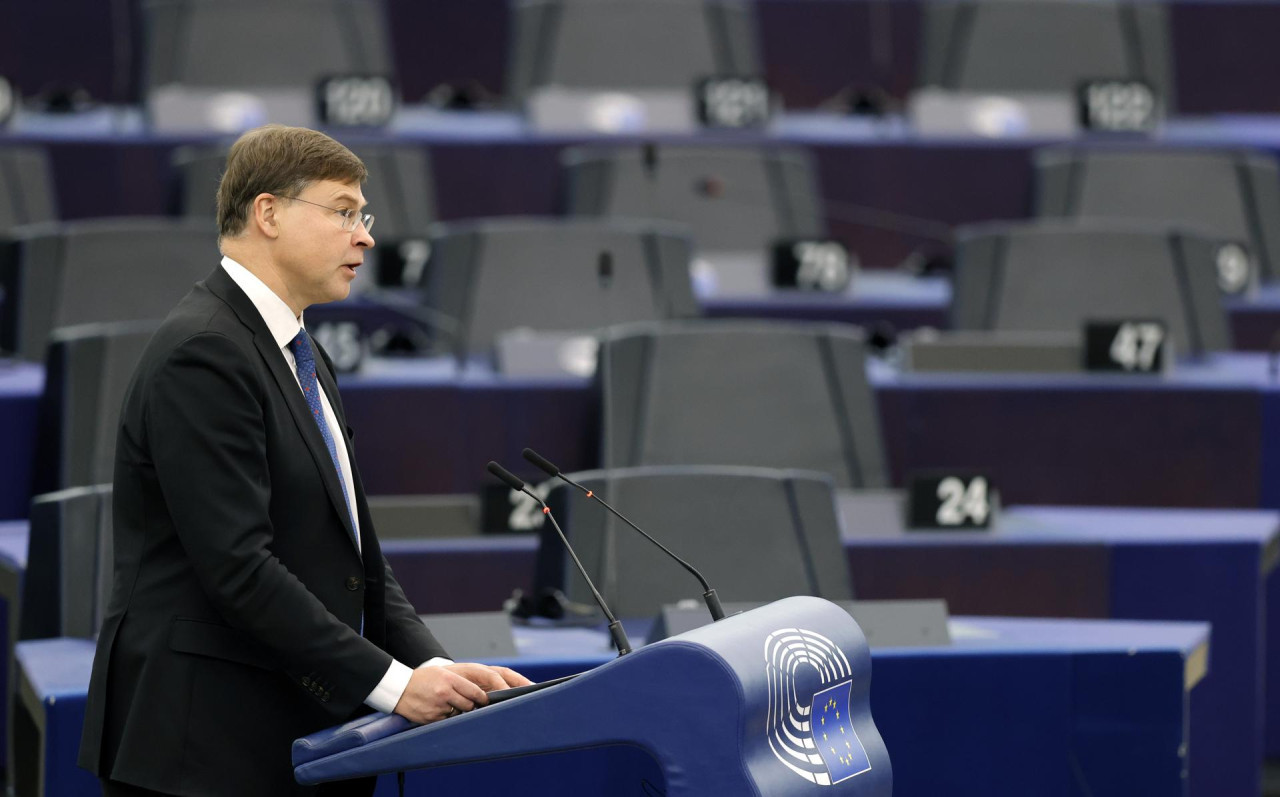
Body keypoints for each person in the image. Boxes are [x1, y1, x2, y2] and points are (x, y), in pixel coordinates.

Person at [78, 124, 531, 796]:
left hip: (290, 738)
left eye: (364, 215)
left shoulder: (290, 349)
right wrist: (397, 684)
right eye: (343, 211)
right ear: (268, 213)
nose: (366, 236)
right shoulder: (204, 352)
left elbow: (355, 561)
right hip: (205, 753)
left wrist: (441, 668)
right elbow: (239, 568)